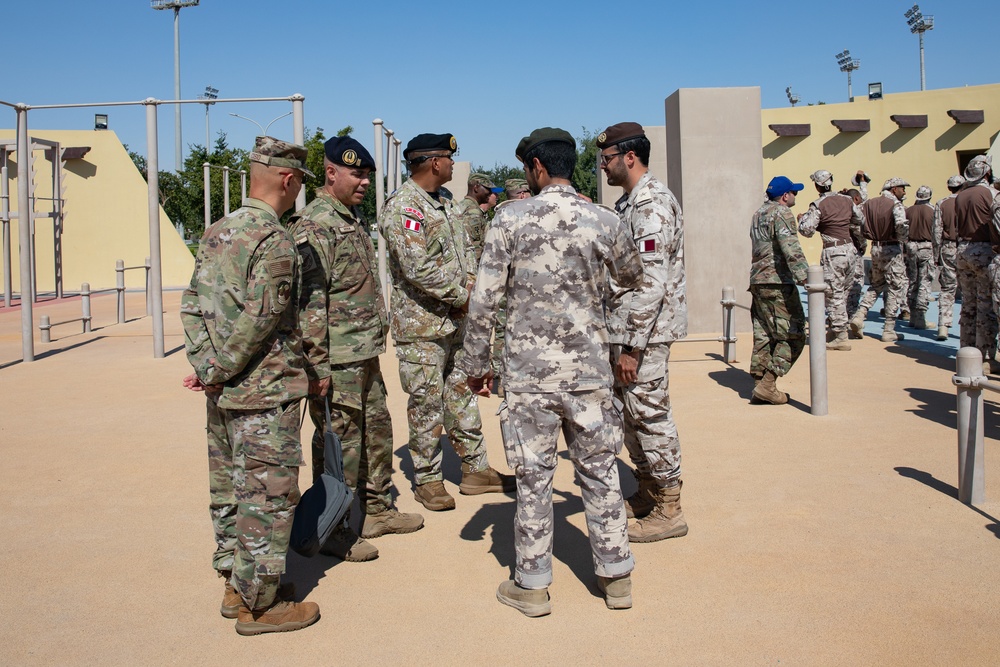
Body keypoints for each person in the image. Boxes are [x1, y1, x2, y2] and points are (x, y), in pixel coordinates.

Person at [461, 127, 643, 616]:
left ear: (537, 168)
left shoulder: (509, 218)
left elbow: (484, 299)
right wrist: (620, 339)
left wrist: (475, 365)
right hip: (589, 373)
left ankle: (534, 585)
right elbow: (632, 282)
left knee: (534, 477)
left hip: (529, 377)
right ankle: (616, 578)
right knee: (601, 473)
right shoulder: (604, 219)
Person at [180, 136, 321, 636]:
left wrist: (206, 364)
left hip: (223, 394)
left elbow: (191, 304)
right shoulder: (275, 240)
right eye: (301, 180)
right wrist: (221, 367)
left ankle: (233, 582)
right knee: (268, 495)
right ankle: (260, 606)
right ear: (288, 179)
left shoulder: (216, 231)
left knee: (230, 490)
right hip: (263, 392)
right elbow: (261, 320)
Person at [290, 136, 423, 563]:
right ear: (331, 173)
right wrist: (317, 364)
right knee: (339, 444)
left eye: (368, 174)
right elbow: (310, 301)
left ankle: (377, 509)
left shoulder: (350, 217)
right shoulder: (316, 225)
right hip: (337, 359)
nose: (364, 181)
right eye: (356, 173)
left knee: (377, 434)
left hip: (363, 352)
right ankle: (331, 529)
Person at [378, 132, 513, 512]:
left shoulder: (446, 202)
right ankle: (428, 478)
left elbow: (463, 255)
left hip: (455, 322)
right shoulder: (405, 207)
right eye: (449, 159)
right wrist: (464, 295)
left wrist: (472, 290)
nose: (454, 165)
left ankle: (475, 469)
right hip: (422, 326)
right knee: (425, 403)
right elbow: (416, 267)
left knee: (461, 395)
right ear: (434, 162)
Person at [596, 122, 688, 543]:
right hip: (626, 331)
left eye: (607, 159)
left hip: (644, 335)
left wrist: (632, 345)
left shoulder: (652, 206)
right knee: (630, 415)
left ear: (628, 157)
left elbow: (650, 283)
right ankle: (649, 489)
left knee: (650, 414)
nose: (603, 166)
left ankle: (670, 506)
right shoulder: (628, 205)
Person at [749, 176, 809, 405]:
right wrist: (805, 277)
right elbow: (789, 246)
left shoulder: (758, 214)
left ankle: (759, 382)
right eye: (794, 193)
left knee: (764, 333)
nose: (794, 196)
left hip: (758, 280)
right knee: (793, 334)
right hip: (777, 281)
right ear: (785, 196)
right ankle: (768, 383)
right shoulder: (782, 213)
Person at [798, 169, 865, 350]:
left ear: (817, 185)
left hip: (833, 250)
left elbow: (806, 230)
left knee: (832, 293)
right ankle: (837, 329)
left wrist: (803, 218)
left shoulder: (819, 204)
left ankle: (840, 335)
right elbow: (860, 219)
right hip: (850, 249)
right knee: (844, 291)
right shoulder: (847, 200)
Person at [850, 178, 910, 343]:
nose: (904, 191)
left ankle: (860, 315)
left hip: (875, 247)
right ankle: (889, 328)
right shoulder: (896, 205)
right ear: (894, 189)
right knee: (895, 287)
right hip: (891, 247)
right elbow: (900, 225)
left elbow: (857, 221)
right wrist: (903, 239)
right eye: (902, 188)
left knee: (876, 285)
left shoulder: (869, 204)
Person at [956, 155, 999, 373]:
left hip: (962, 250)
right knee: (985, 305)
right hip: (983, 250)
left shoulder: (961, 195)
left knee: (968, 303)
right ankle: (986, 356)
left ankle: (965, 351)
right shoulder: (990, 193)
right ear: (987, 172)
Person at [932, 175, 965, 340]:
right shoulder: (968, 200)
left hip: (947, 247)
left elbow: (937, 231)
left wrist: (936, 253)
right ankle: (967, 329)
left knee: (947, 288)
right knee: (969, 290)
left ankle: (943, 325)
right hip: (967, 246)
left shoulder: (941, 203)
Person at [452, 172, 502, 269]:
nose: (489, 193)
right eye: (487, 189)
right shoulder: (473, 212)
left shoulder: (461, 205)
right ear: (476, 188)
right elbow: (475, 247)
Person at [904, 186, 936, 329]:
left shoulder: (908, 210)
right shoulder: (933, 211)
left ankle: (912, 316)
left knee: (912, 281)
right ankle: (921, 317)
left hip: (910, 247)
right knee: (925, 282)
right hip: (926, 247)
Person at [843, 186, 868, 331]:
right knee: (856, 284)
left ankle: (840, 315)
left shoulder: (841, 209)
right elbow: (859, 232)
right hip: (854, 251)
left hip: (841, 251)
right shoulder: (853, 212)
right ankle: (850, 316)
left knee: (842, 285)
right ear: (856, 199)